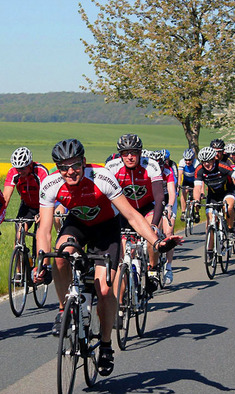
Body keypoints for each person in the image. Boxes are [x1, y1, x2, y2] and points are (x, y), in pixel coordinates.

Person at [36, 138, 182, 377]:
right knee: (60, 255)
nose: (70, 171)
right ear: (57, 167)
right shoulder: (51, 183)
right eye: (63, 166)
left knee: (104, 290)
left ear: (84, 162)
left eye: (75, 165)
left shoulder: (102, 177)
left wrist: (156, 241)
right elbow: (44, 229)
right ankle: (64, 309)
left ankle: (105, 346)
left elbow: (132, 216)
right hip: (78, 225)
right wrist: (41, 261)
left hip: (106, 229)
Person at [105, 134, 166, 282]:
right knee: (123, 250)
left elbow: (159, 198)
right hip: (125, 210)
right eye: (125, 153)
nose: (130, 157)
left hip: (147, 207)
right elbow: (105, 197)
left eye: (133, 152)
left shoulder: (150, 165)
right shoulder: (112, 167)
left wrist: (154, 225)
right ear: (120, 155)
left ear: (140, 153)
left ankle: (153, 269)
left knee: (152, 237)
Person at [193, 146, 235, 235]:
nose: (206, 164)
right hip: (213, 195)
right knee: (210, 220)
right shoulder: (199, 169)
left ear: (213, 160)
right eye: (204, 162)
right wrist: (196, 201)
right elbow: (197, 187)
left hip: (227, 191)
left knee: (228, 208)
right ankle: (210, 248)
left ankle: (230, 229)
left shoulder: (222, 166)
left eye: (208, 161)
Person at [3, 147, 49, 234]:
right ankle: (19, 247)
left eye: (23, 168)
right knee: (19, 232)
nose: (19, 171)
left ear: (30, 164)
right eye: (17, 168)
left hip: (42, 205)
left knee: (40, 234)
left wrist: (42, 213)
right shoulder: (13, 172)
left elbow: (47, 195)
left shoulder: (40, 171)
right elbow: (6, 197)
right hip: (27, 205)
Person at [152, 150, 176, 285]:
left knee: (169, 232)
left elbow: (172, 192)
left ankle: (168, 266)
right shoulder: (147, 171)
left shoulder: (167, 171)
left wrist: (170, 207)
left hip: (167, 200)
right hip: (154, 201)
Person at [178, 148, 200, 222]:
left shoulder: (196, 163)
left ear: (193, 159)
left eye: (189, 160)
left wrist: (198, 189)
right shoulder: (182, 162)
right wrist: (178, 185)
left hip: (195, 181)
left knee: (196, 196)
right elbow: (180, 175)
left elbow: (199, 176)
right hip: (186, 181)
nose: (187, 162)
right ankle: (183, 212)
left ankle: (197, 212)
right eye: (186, 160)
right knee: (184, 192)